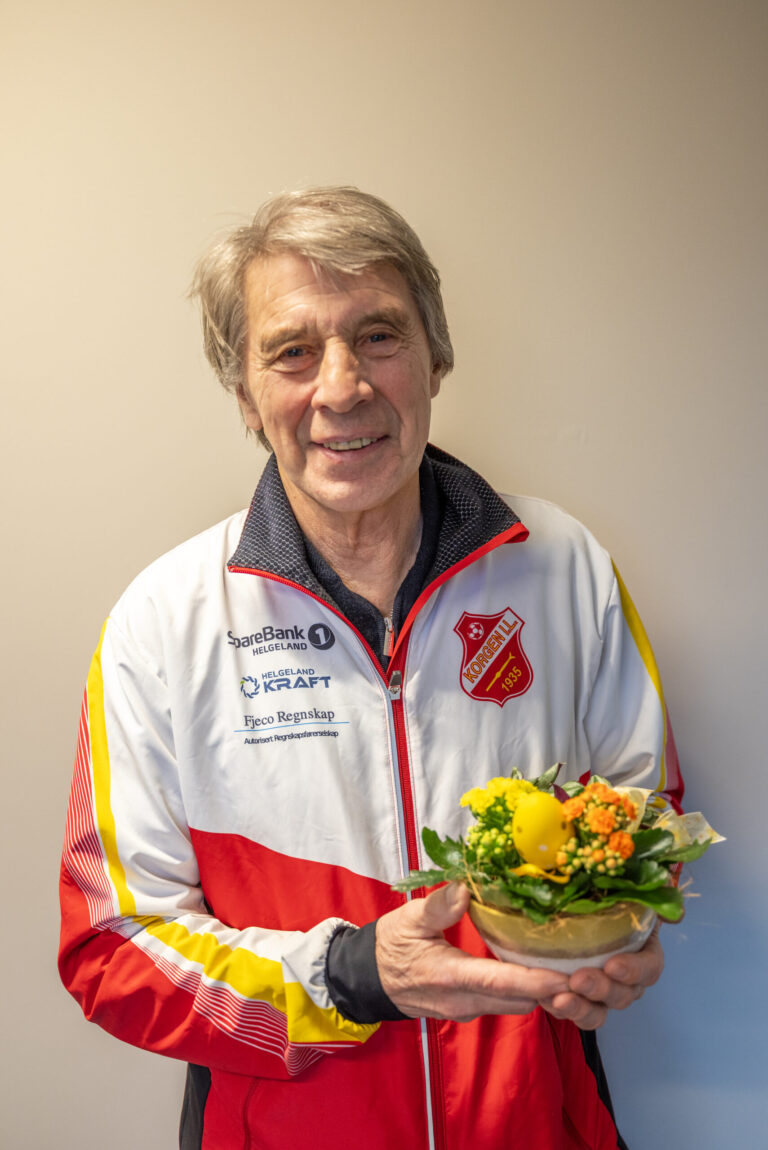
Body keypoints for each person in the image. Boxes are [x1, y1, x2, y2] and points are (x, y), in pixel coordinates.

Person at [59, 186, 683, 1150]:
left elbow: (649, 826)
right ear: (244, 394)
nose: (342, 386)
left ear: (435, 356)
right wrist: (352, 975)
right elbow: (111, 949)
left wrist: (624, 936)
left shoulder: (566, 569)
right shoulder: (162, 623)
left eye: (378, 335)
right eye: (292, 351)